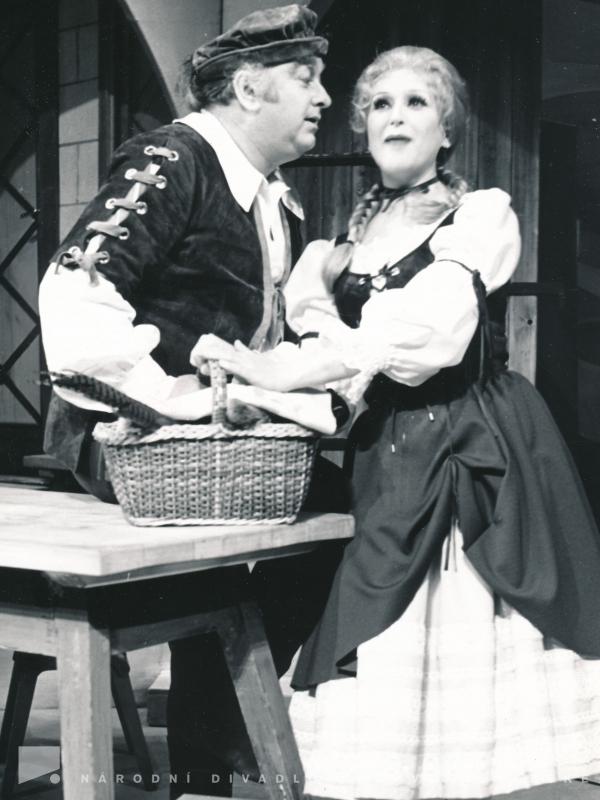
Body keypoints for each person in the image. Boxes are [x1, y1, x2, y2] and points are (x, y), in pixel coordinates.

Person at [197, 45, 600, 799]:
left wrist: (291, 369)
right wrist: (253, 380)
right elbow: (334, 373)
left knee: (465, 621)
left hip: (480, 441)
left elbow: (433, 335)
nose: (396, 117)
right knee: (372, 614)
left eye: (418, 103)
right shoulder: (332, 254)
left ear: (447, 129)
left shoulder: (479, 217)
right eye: (381, 104)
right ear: (362, 124)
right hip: (387, 451)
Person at [38, 6, 345, 797]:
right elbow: (76, 290)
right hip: (131, 442)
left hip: (215, 448)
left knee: (335, 515)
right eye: (305, 79)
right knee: (307, 527)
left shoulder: (275, 198)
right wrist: (168, 402)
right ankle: (216, 757)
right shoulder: (175, 159)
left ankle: (216, 750)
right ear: (248, 89)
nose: (324, 97)